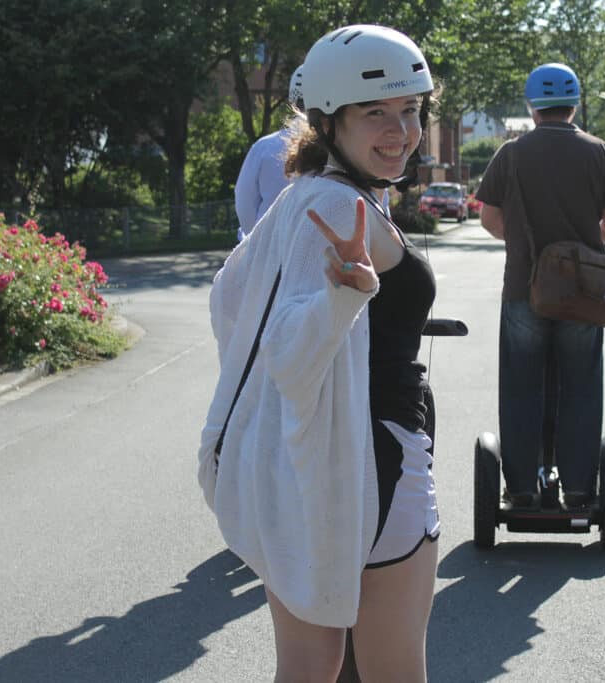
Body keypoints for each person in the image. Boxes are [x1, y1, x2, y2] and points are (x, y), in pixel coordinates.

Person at [198, 24, 439, 681]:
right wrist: (341, 304)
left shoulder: (304, 195)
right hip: (379, 467)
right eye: (376, 113)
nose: (402, 130)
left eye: (412, 109)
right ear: (331, 121)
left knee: (308, 667)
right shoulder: (335, 204)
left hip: (308, 471)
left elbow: (229, 303)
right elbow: (288, 353)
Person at [475, 62, 605, 510]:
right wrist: (576, 250)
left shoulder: (511, 154)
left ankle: (520, 489)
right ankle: (580, 489)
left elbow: (488, 218)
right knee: (580, 387)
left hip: (524, 289)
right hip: (583, 294)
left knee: (522, 388)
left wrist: (531, 249)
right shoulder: (598, 152)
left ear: (532, 107)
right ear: (575, 105)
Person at [233, 65, 305, 241]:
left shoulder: (264, 147)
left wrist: (257, 240)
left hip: (269, 247)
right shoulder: (346, 146)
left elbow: (244, 203)